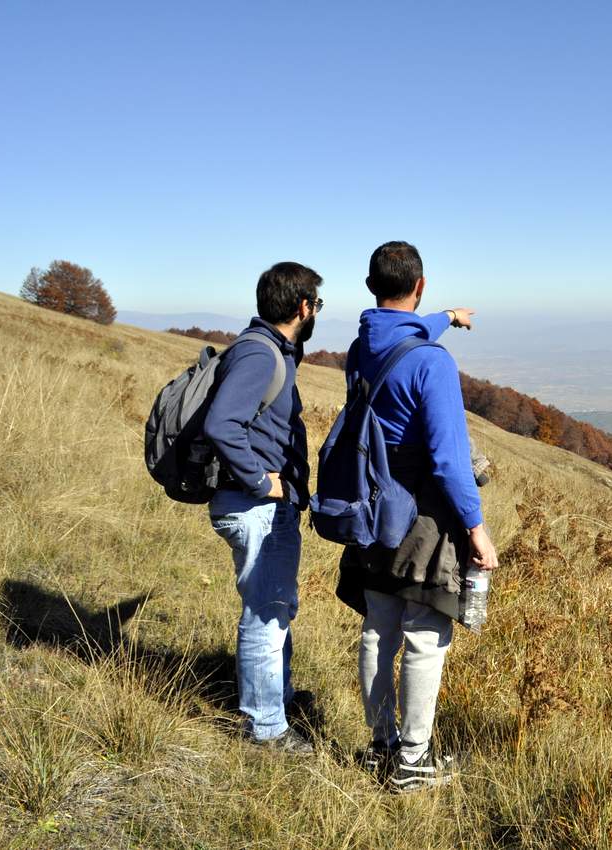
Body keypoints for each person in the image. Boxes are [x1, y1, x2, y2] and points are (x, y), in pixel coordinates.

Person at [334, 240, 498, 792]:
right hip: (423, 516)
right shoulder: (432, 363)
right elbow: (450, 460)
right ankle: (412, 762)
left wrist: (446, 318)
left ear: (370, 286)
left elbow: (401, 331)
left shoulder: (361, 348)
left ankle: (381, 745)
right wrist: (476, 530)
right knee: (425, 635)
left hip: (371, 506)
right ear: (420, 284)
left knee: (377, 629)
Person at [203, 261, 322, 754]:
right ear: (302, 307)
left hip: (259, 505)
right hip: (254, 505)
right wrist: (260, 481)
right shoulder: (260, 355)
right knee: (266, 613)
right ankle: (265, 728)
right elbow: (221, 424)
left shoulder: (268, 349)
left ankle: (278, 697)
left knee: (274, 605)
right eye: (316, 303)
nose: (316, 311)